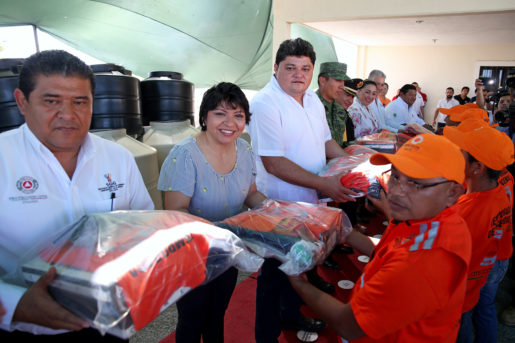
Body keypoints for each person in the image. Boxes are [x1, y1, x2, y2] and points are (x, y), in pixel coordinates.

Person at [0, 50, 153, 341]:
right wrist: (14, 303)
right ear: (21, 101)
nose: (68, 115)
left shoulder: (119, 158)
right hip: (22, 325)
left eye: (80, 102)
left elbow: (143, 226)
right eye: (51, 101)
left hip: (108, 320)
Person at [288, 133, 472, 342]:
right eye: (395, 176)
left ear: (453, 193)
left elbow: (347, 324)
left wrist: (298, 282)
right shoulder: (426, 219)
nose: (396, 192)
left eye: (415, 183)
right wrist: (345, 233)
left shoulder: (422, 262)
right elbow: (386, 254)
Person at [248, 37, 357, 343]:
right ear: (276, 68)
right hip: (278, 206)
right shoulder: (265, 103)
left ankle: (292, 315)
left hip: (311, 202)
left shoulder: (311, 100)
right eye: (291, 68)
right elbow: (273, 163)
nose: (298, 74)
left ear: (312, 72)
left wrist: (352, 165)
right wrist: (326, 184)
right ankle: (266, 337)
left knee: (301, 266)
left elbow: (326, 142)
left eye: (305, 68)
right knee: (273, 277)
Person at [158, 82, 266, 342]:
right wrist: (222, 233)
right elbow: (176, 213)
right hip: (191, 253)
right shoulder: (184, 155)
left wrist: (273, 210)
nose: (230, 122)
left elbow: (251, 193)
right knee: (192, 319)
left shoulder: (245, 149)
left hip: (228, 250)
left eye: (238, 115)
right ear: (204, 117)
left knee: (217, 313)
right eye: (220, 113)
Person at [444, 119, 514, 343]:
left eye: (460, 153)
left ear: (477, 167)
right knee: (482, 309)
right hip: (486, 268)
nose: (455, 155)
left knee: (462, 323)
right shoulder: (498, 189)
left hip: (464, 287)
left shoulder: (468, 212)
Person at [316, 62, 352, 148]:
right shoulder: (310, 106)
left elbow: (343, 143)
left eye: (343, 81)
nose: (342, 87)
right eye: (338, 80)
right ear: (322, 81)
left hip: (337, 158)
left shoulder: (340, 110)